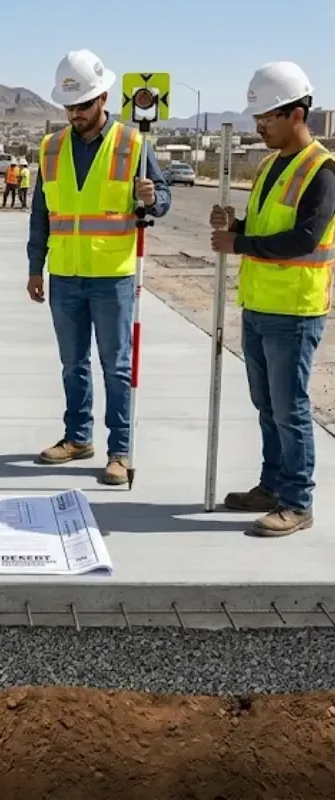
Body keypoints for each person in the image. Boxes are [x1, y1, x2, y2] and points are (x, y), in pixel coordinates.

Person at [26, 49, 171, 485]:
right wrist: (36, 267)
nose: (76, 114)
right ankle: (77, 437)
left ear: (103, 98)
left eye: (83, 105)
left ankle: (120, 451)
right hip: (65, 277)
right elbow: (41, 214)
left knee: (117, 366)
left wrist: (150, 198)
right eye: (69, 107)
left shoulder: (132, 144)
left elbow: (162, 200)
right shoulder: (50, 149)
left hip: (113, 277)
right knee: (73, 364)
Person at [210, 61, 335, 536]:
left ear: (297, 113)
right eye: (257, 117)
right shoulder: (269, 165)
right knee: (266, 405)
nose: (259, 125)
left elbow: (304, 239)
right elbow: (267, 230)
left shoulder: (323, 171)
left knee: (290, 409)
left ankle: (298, 502)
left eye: (267, 117)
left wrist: (238, 245)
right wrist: (237, 227)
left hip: (296, 311)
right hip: (260, 305)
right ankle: (272, 485)